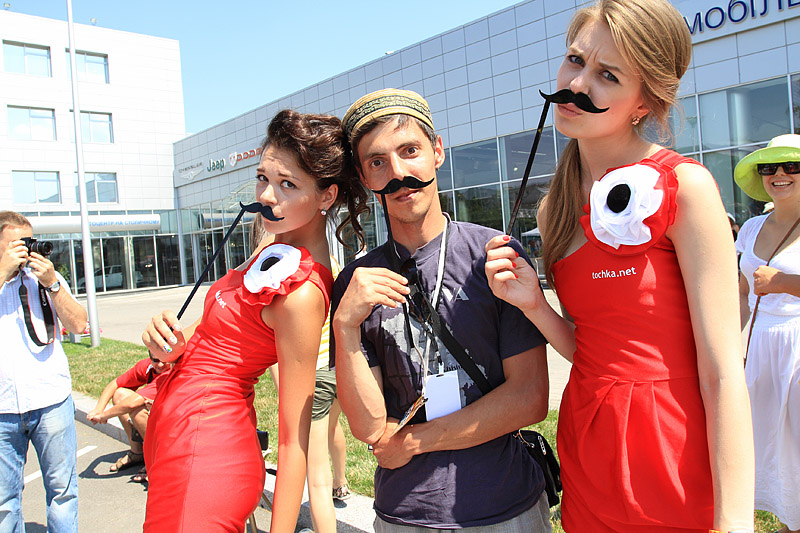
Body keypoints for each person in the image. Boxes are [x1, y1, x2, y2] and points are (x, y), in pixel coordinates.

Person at [484, 1, 754, 531]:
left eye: (607, 75)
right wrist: (534, 305)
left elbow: (723, 373)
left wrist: (734, 521)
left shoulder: (686, 188)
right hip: (589, 445)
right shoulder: (555, 207)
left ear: (644, 101)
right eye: (575, 60)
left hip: (672, 452)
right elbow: (594, 351)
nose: (576, 84)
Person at [331, 88, 552, 532]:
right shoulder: (356, 283)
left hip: (506, 507)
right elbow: (369, 428)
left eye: (409, 151)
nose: (398, 174)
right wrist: (345, 326)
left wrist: (415, 441)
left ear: (437, 152)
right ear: (365, 176)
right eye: (378, 162)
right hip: (405, 513)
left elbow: (530, 398)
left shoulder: (493, 256)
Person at [140, 110, 369, 533]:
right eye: (263, 178)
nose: (265, 195)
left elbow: (293, 438)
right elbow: (211, 337)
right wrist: (169, 343)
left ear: (326, 196)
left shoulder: (302, 292)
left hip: (206, 450)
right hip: (180, 434)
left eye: (287, 184)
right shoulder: (274, 252)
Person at [0, 210, 88, 533]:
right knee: (4, 500)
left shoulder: (45, 279)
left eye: (29, 242)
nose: (25, 251)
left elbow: (79, 324)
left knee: (63, 493)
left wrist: (52, 283)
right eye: (16, 245)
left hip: (51, 400)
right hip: (3, 408)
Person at [734, 133, 800, 533]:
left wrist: (783, 282)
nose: (779, 174)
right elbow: (742, 294)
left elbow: (769, 284)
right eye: (769, 167)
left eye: (792, 166)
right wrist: (727, 346)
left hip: (798, 345)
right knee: (774, 448)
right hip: (762, 350)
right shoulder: (751, 227)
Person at [86, 353, 172, 480]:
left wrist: (103, 416)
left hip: (178, 424)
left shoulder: (170, 373)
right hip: (163, 415)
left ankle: (156, 460)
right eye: (155, 360)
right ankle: (137, 452)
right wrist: (98, 409)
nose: (160, 365)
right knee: (120, 394)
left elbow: (133, 403)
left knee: (138, 411)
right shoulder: (147, 367)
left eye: (164, 360)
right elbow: (115, 384)